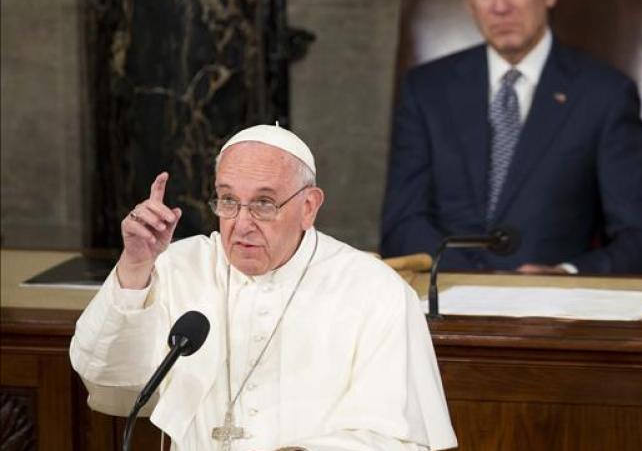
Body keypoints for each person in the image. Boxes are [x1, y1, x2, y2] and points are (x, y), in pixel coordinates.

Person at [71, 125, 458, 450]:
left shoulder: (373, 291)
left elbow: (396, 438)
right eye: (228, 201)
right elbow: (108, 380)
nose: (241, 224)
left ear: (309, 207)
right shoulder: (179, 267)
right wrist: (136, 266)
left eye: (264, 204)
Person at [380, 0, 642, 274]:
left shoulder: (604, 94)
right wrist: (479, 284)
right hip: (447, 304)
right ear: (469, 1)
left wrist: (567, 275)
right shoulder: (426, 90)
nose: (500, 6)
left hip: (553, 314)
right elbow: (402, 225)